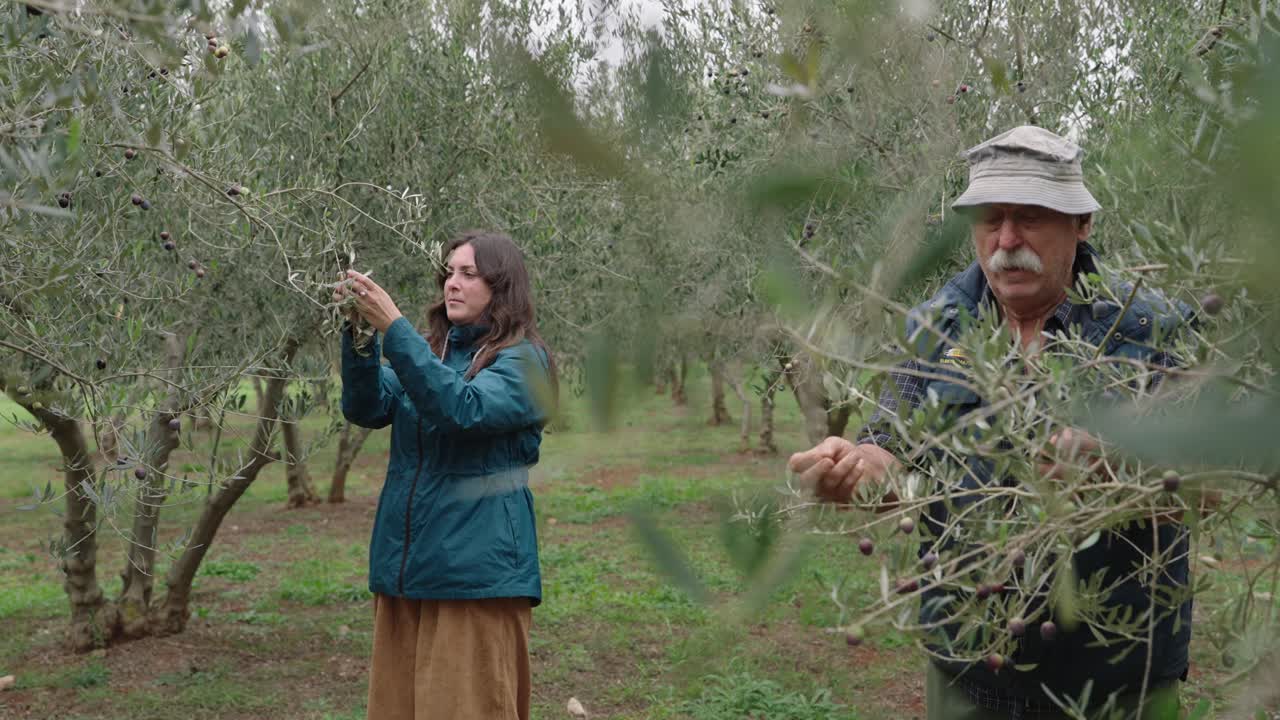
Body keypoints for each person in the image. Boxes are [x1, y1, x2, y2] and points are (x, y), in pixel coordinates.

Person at [788, 126, 1195, 720]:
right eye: (989, 219)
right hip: (969, 676)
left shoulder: (1153, 330)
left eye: (1029, 216)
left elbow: (1220, 478)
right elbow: (891, 446)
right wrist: (857, 468)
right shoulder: (933, 328)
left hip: (1117, 684)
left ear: (1081, 223)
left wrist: (1122, 466)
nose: (1006, 240)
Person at [333, 230, 556, 720]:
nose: (451, 284)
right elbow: (367, 406)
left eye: (468, 274)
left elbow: (463, 409)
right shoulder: (430, 355)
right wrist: (362, 336)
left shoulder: (524, 363)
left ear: (502, 287)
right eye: (449, 272)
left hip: (474, 579)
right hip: (406, 573)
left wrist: (395, 329)